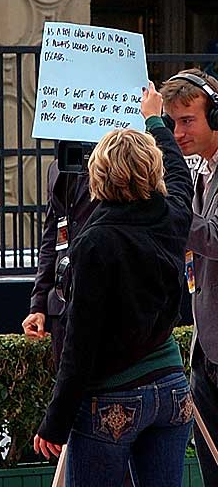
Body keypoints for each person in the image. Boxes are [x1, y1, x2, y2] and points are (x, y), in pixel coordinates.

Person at [34, 82, 194, 486]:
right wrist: (154, 119)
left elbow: (79, 345)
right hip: (172, 387)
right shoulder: (173, 216)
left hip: (113, 397)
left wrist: (54, 423)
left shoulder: (94, 243)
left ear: (97, 175)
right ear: (152, 169)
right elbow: (178, 175)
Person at [161, 68, 218, 485]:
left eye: (187, 120)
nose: (178, 133)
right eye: (172, 122)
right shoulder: (197, 172)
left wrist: (170, 209)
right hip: (206, 350)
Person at [22, 158, 98, 368]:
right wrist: (38, 305)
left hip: (100, 304)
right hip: (60, 305)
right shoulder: (57, 167)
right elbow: (51, 238)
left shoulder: (117, 162)